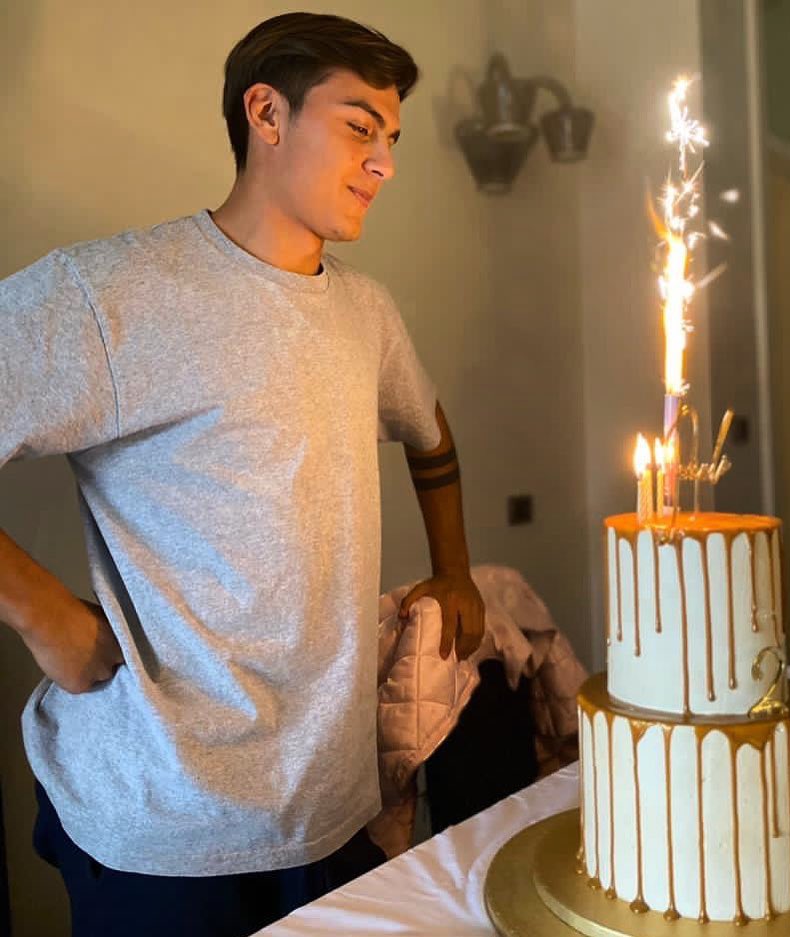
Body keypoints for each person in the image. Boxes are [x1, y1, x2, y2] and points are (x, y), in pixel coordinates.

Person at [0, 12, 484, 937]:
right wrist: (41, 613)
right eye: (359, 126)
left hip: (331, 810)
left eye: (392, 138)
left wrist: (454, 567)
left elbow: (427, 429)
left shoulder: (366, 312)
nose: (384, 162)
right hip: (161, 826)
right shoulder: (112, 294)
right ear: (266, 114)